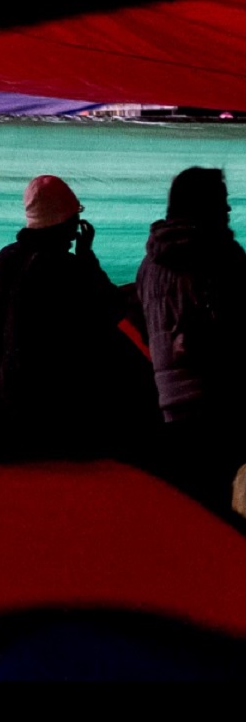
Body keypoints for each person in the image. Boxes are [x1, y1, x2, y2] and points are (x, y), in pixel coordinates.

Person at [0, 174, 134, 456]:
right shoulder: (69, 269)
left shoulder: (5, 260)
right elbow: (111, 308)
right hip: (61, 402)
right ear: (66, 223)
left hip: (9, 394)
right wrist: (87, 258)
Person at [136, 166, 246, 513]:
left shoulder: (148, 265)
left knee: (195, 503)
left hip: (169, 401)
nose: (228, 211)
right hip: (217, 398)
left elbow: (145, 326)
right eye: (222, 202)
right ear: (207, 205)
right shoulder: (219, 255)